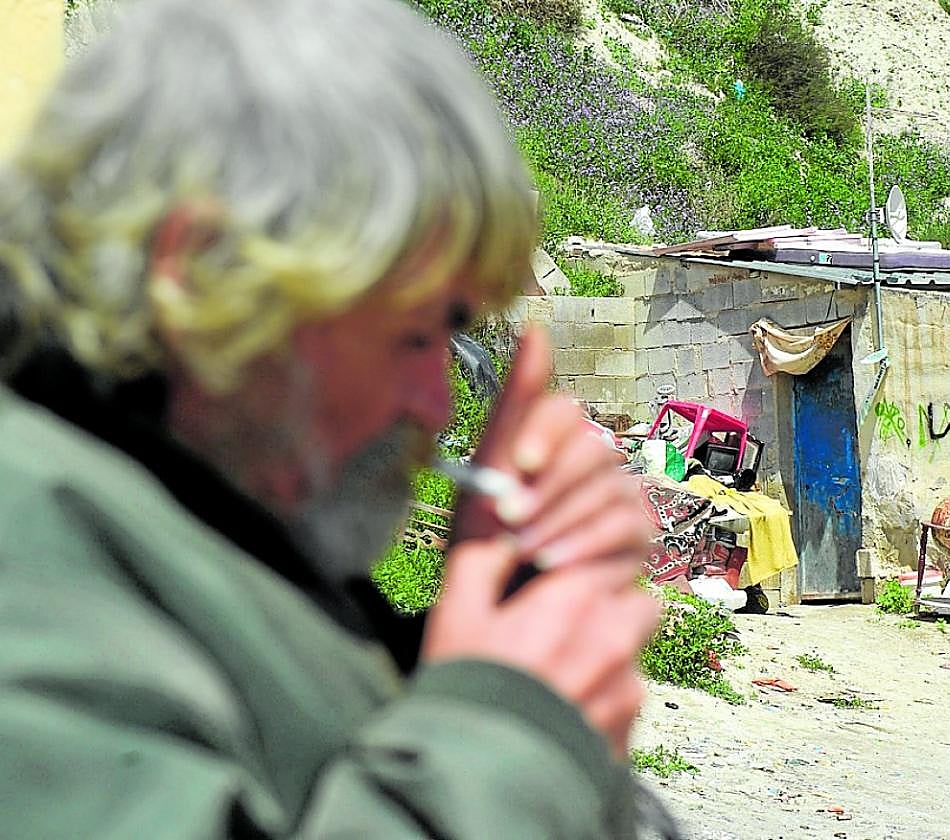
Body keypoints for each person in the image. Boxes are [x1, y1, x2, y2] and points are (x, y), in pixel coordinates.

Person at [0, 0, 661, 836]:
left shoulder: (196, 518)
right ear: (203, 274)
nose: (438, 404)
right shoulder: (28, 559)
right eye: (418, 332)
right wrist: (506, 734)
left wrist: (497, 646)